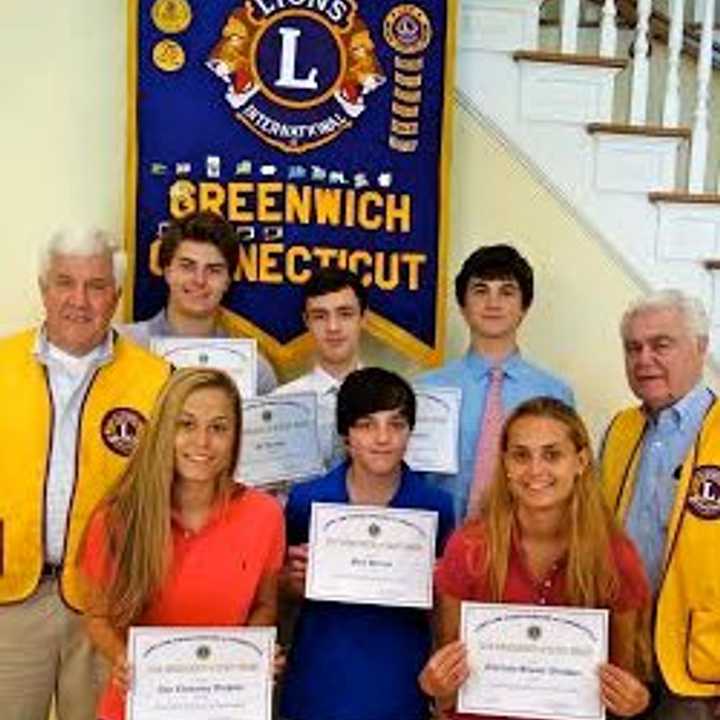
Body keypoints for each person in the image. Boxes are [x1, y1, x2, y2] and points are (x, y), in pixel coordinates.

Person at [0, 228, 171, 720]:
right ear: (42, 289)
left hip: (107, 606)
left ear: (117, 296)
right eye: (65, 283)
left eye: (97, 286)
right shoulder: (2, 364)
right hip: (12, 600)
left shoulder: (155, 381)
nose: (80, 300)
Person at [420, 397, 652, 719]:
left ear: (581, 461)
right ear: (505, 464)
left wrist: (634, 702)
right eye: (520, 455)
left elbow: (626, 685)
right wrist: (436, 686)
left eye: (552, 454)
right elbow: (447, 696)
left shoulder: (616, 557)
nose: (535, 470)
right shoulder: (468, 548)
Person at [80, 367, 285, 720]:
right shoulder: (116, 519)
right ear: (163, 430)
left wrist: (254, 654)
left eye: (218, 428)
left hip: (225, 705)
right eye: (186, 424)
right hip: (139, 703)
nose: (202, 442)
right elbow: (97, 616)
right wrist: (122, 659)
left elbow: (265, 606)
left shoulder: (264, 515)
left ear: (236, 437)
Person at [280, 367, 454, 720]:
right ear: (346, 434)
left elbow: (443, 614)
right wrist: (289, 582)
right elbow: (280, 600)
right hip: (319, 683)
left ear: (410, 432)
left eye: (396, 424)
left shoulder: (435, 507)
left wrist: (438, 587)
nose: (382, 438)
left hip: (399, 684)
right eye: (366, 424)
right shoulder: (306, 502)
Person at [600, 290, 719, 719]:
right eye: (633, 347)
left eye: (661, 344)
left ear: (701, 348)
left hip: (701, 672)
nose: (644, 358)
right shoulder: (620, 430)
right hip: (624, 654)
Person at [420, 244, 574, 522]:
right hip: (440, 545)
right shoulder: (426, 390)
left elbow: (568, 482)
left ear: (524, 307)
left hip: (528, 549)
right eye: (481, 291)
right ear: (462, 306)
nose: (493, 303)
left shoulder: (555, 393)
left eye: (506, 292)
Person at [121, 210, 278, 394]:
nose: (199, 280)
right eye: (187, 266)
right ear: (167, 271)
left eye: (213, 270)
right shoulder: (123, 347)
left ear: (227, 281)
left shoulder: (255, 370)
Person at [275, 267, 367, 471]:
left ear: (363, 318)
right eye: (320, 316)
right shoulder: (280, 404)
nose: (333, 327)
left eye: (345, 314)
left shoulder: (389, 397)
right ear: (306, 322)